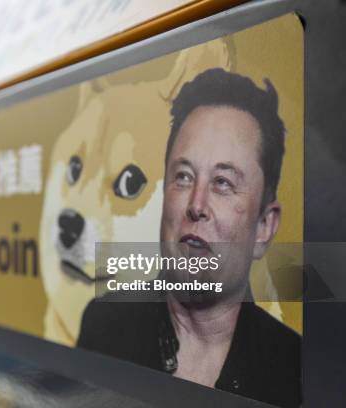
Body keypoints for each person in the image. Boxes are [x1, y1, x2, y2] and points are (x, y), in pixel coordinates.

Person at [77, 69, 301, 408]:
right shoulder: (105, 324)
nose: (197, 206)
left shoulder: (296, 370)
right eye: (183, 177)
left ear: (265, 226)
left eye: (223, 182)